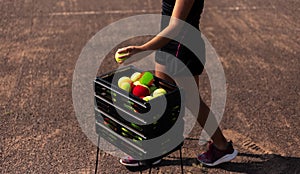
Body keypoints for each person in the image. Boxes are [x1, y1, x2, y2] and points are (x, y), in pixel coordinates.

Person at [115, 0, 238, 167]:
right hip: (169, 44)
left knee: (192, 101)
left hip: (183, 47)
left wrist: (143, 49)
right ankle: (154, 150)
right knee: (162, 98)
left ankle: (222, 146)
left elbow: (176, 26)